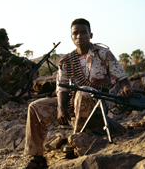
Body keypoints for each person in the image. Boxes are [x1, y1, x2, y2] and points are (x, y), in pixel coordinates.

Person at [24, 18, 136, 168]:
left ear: (91, 34)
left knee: (83, 93)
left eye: (83, 32)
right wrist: (60, 108)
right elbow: (62, 88)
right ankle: (37, 158)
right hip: (71, 103)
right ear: (71, 37)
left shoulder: (104, 54)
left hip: (97, 104)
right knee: (34, 107)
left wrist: (126, 88)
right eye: (75, 33)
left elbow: (122, 78)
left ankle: (77, 141)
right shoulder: (66, 61)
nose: (79, 36)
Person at [0, 29, 35, 104]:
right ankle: (6, 93)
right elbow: (19, 60)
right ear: (1, 41)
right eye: (7, 40)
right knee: (20, 67)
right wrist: (33, 64)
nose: (8, 43)